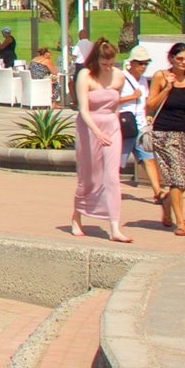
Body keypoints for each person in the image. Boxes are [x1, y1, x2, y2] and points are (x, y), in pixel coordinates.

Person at [67, 40, 131, 243]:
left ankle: (114, 226)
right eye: (104, 63)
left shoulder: (118, 76)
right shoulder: (85, 75)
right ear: (96, 60)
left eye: (111, 63)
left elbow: (115, 105)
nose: (108, 67)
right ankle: (77, 215)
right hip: (89, 127)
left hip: (111, 125)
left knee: (112, 176)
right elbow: (83, 109)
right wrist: (96, 132)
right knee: (89, 177)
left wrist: (116, 127)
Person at [146, 41, 185, 236]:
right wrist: (167, 89)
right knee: (177, 177)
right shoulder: (160, 76)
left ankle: (167, 203)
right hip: (164, 133)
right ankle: (181, 223)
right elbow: (150, 104)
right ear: (171, 58)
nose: (183, 62)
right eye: (179, 58)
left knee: (184, 180)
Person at [117, 53, 158, 189]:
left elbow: (144, 101)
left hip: (140, 126)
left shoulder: (143, 80)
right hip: (126, 125)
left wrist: (148, 115)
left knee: (149, 159)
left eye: (146, 63)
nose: (143, 67)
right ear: (132, 62)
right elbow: (111, 99)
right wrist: (131, 97)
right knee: (118, 163)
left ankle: (157, 191)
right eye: (141, 63)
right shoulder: (121, 78)